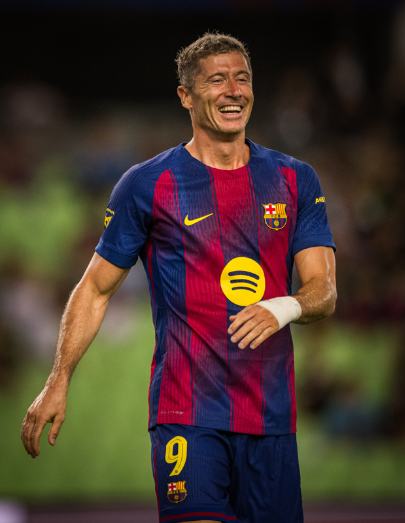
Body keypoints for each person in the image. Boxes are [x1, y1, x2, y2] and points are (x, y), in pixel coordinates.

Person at [21, 32, 337, 523]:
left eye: (243, 78)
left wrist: (285, 306)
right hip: (186, 416)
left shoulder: (295, 179)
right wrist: (57, 379)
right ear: (186, 96)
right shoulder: (148, 184)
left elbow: (324, 291)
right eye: (217, 80)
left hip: (271, 420)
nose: (234, 90)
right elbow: (96, 289)